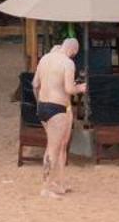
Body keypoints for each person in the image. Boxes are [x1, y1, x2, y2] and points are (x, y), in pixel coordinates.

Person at [32, 37, 86, 198]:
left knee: (60, 145)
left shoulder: (45, 59)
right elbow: (69, 89)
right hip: (57, 109)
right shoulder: (68, 63)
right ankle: (45, 188)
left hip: (42, 106)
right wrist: (81, 88)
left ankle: (60, 182)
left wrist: (39, 102)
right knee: (53, 149)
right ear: (73, 51)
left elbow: (35, 84)